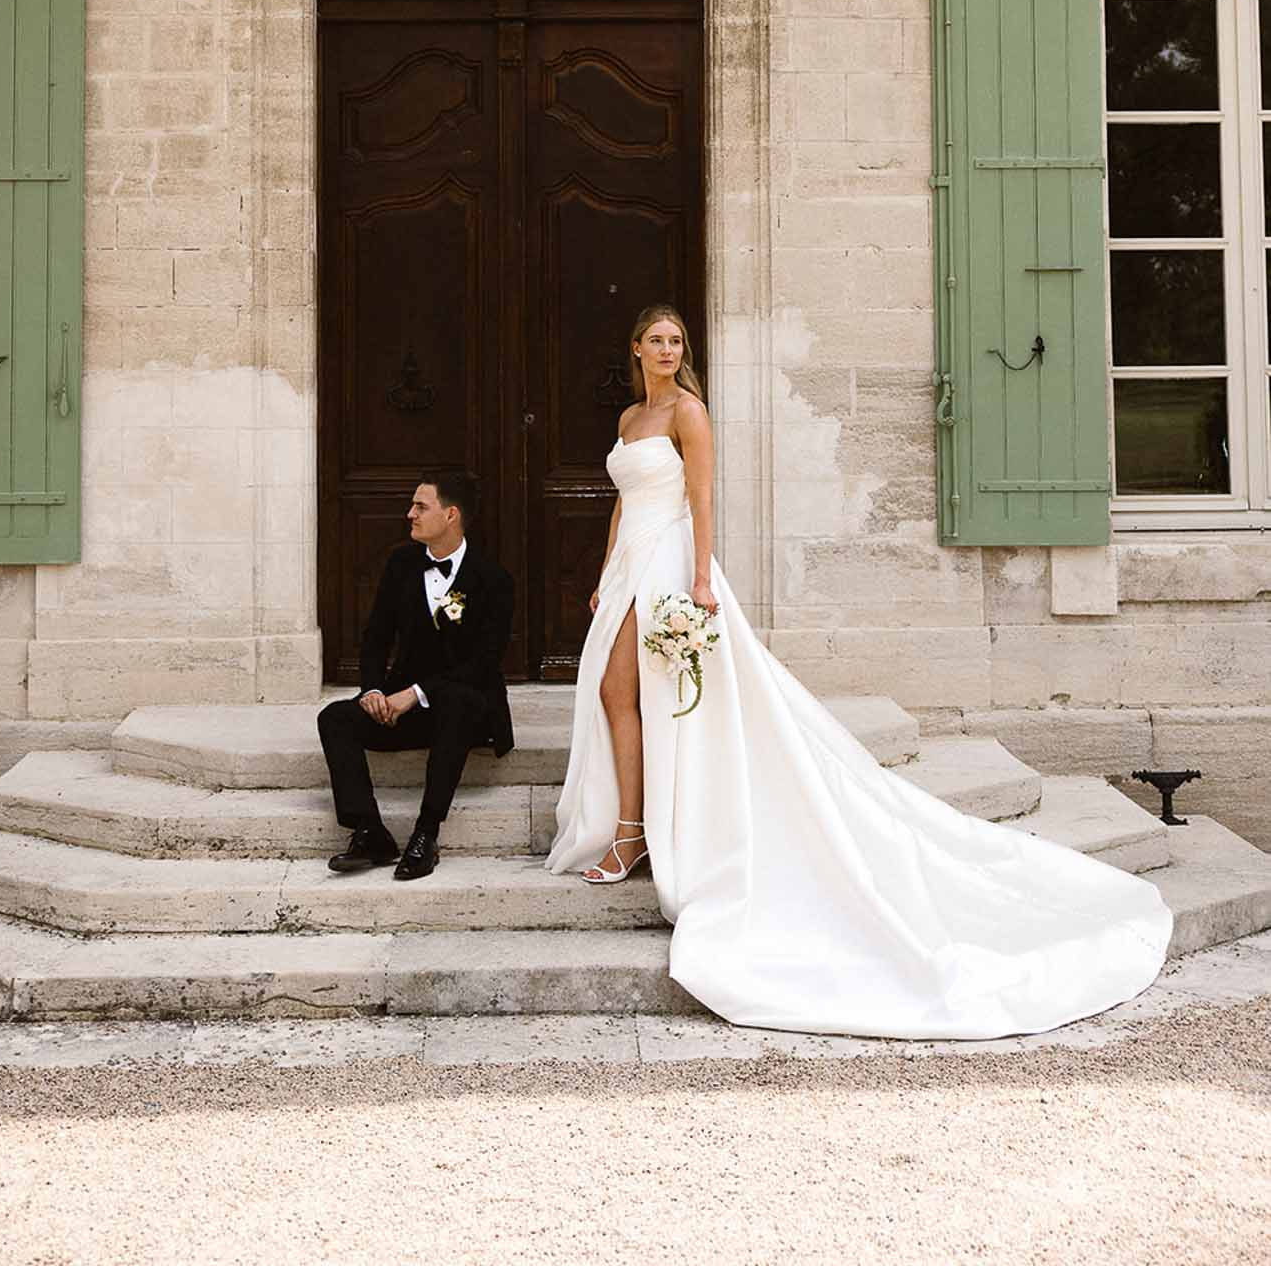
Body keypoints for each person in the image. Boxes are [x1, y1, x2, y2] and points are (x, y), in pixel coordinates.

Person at [546, 303, 1175, 1041]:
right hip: (630, 562)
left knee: (652, 696)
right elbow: (625, 505)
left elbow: (702, 496)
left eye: (675, 341)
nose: (664, 349)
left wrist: (703, 580)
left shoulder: (690, 411)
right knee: (616, 693)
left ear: (682, 352)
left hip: (674, 561)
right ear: (635, 349)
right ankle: (631, 826)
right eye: (654, 340)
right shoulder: (628, 421)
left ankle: (636, 832)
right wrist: (604, 569)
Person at [317, 469, 514, 882]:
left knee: (457, 702)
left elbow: (483, 664)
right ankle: (369, 832)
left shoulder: (493, 579)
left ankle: (426, 833)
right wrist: (372, 689)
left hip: (467, 708)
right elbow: (374, 638)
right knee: (335, 717)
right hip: (406, 706)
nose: (410, 514)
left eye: (420, 506)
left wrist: (417, 693)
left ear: (451, 515)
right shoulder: (400, 564)